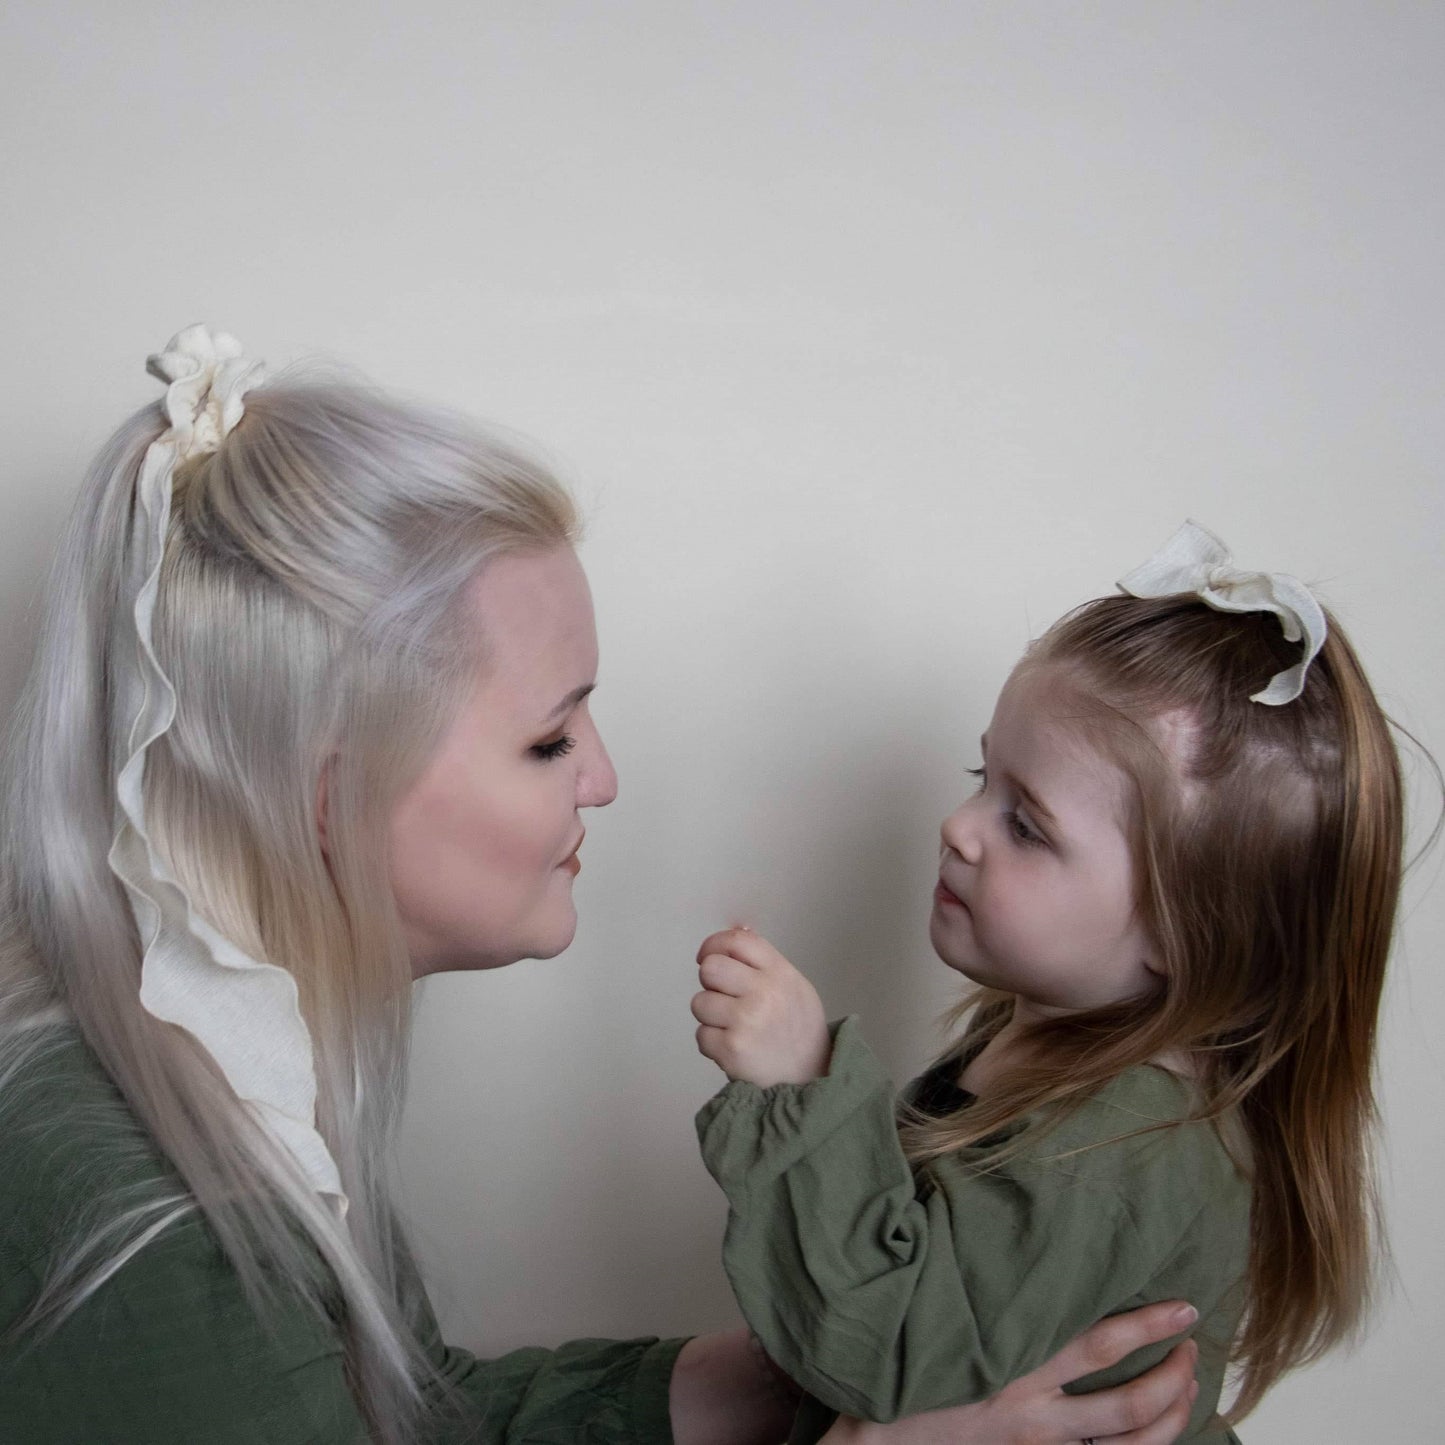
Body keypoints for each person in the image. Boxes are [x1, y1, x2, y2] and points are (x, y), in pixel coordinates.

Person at [0, 326, 1199, 1444]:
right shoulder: (132, 1218)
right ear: (329, 798)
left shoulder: (226, 1053)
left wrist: (796, 1374)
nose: (605, 778)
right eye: (547, 739)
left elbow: (408, 1419)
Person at [692, 522, 1407, 1442]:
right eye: (979, 776)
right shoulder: (1050, 1040)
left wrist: (802, 1090)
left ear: (1187, 936)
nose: (957, 825)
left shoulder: (1122, 1144)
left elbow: (893, 1352)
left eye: (1026, 824)